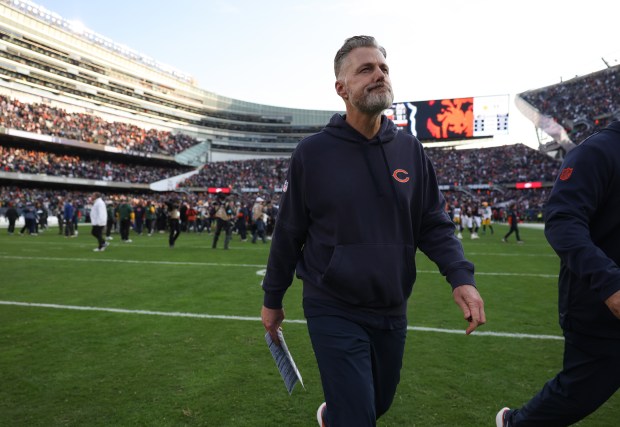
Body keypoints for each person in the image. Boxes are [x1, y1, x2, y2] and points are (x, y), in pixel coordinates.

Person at [260, 35, 486, 427]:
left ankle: (336, 415)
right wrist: (272, 299)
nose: (379, 75)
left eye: (383, 68)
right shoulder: (312, 153)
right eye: (366, 69)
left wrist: (460, 277)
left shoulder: (411, 150)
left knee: (376, 404)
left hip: (391, 305)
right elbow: (289, 232)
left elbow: (432, 223)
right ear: (341, 88)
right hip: (332, 303)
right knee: (359, 417)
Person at [496, 120, 620, 426]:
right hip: (599, 307)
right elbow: (563, 219)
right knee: (578, 393)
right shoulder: (599, 150)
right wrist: (610, 284)